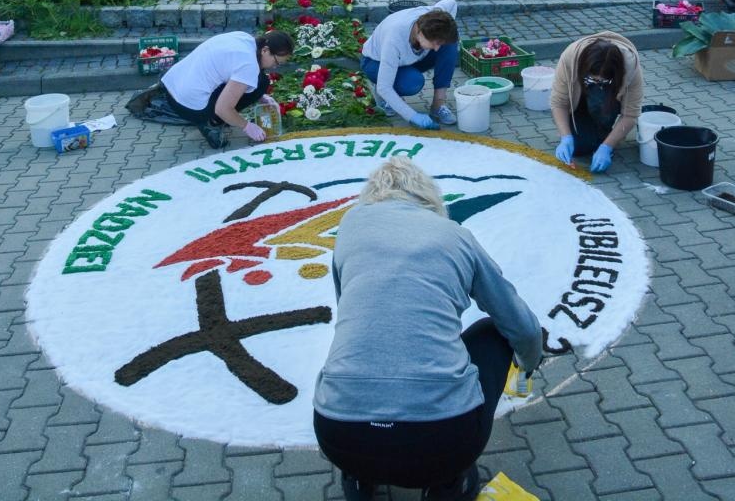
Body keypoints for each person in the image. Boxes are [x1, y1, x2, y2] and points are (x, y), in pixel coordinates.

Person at [313, 159, 542, 501]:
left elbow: (346, 304)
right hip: (444, 443)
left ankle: (361, 478)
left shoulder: (351, 225)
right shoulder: (456, 236)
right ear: (429, 197)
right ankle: (448, 484)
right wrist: (528, 362)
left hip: (338, 435)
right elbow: (520, 326)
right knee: (491, 333)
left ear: (371, 196)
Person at [126, 30, 294, 150]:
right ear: (265, 50)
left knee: (259, 82)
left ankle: (213, 116)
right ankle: (211, 124)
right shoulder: (249, 65)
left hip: (172, 85)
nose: (275, 67)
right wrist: (246, 126)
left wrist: (260, 97)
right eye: (277, 62)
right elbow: (222, 108)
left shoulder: (244, 39)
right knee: (261, 82)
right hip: (189, 106)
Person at [550, 31, 644, 173]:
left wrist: (607, 146)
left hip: (606, 102)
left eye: (603, 80)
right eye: (592, 79)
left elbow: (631, 114)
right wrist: (566, 137)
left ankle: (604, 134)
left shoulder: (630, 67)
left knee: (599, 100)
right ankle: (590, 131)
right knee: (579, 147)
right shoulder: (570, 57)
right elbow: (559, 102)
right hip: (580, 102)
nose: (597, 83)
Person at [360, 1, 460, 128]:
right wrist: (412, 116)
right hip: (375, 62)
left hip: (408, 59)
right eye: (433, 43)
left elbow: (452, 3)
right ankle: (386, 95)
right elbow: (384, 87)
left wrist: (448, 24)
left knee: (449, 44)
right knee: (412, 82)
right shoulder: (394, 39)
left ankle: (438, 105)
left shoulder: (435, 15)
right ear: (420, 32)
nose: (436, 49)